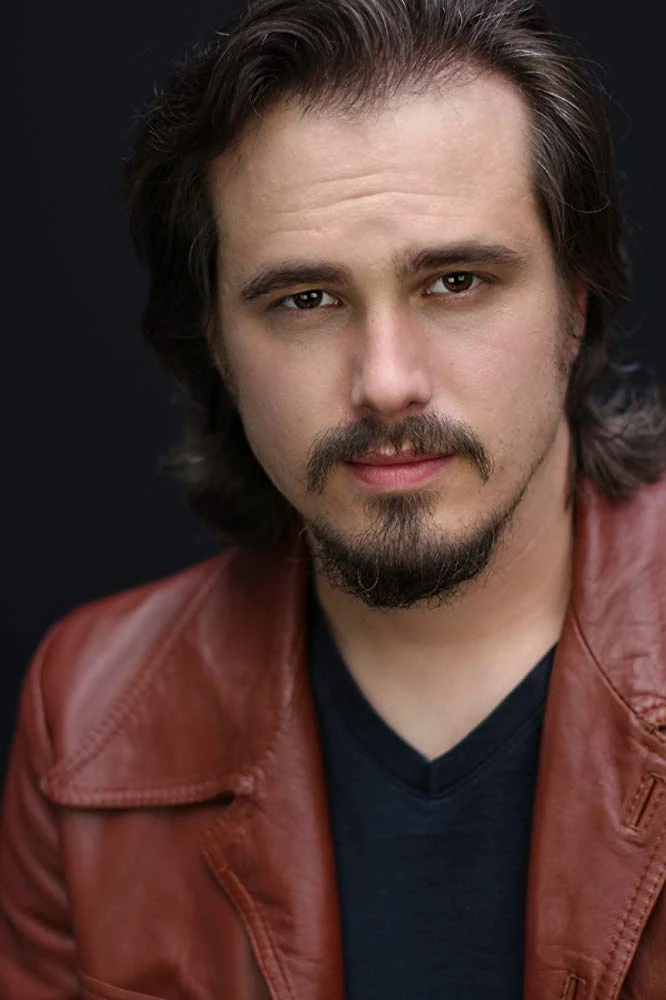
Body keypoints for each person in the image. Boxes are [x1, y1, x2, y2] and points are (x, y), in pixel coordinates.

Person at [2, 0, 666, 996]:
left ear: (576, 302)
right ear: (217, 345)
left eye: (456, 281)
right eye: (305, 301)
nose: (386, 382)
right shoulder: (89, 710)